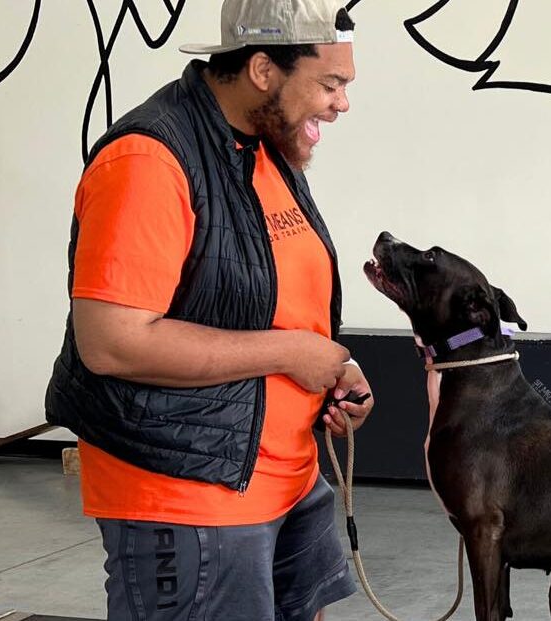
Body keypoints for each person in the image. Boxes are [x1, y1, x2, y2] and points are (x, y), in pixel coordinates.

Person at [44, 1, 372, 619]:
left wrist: (331, 371)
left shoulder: (266, 148)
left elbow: (267, 299)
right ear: (262, 70)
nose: (341, 103)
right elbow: (112, 341)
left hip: (287, 481)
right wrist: (292, 354)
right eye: (330, 83)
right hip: (186, 493)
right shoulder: (149, 159)